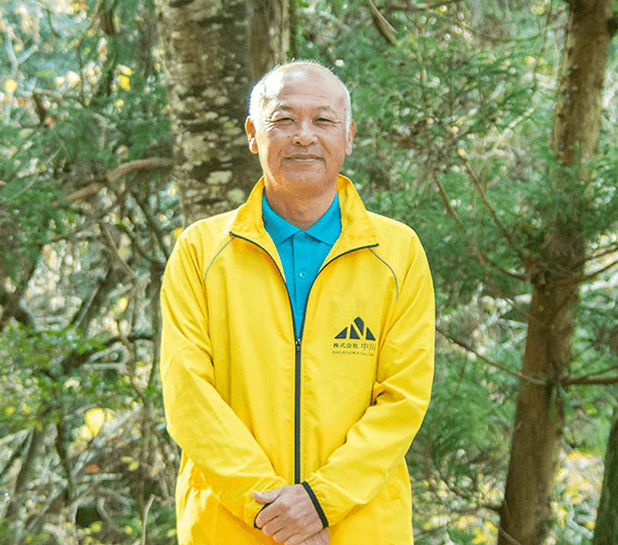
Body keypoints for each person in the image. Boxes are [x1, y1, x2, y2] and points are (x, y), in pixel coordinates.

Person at [160, 60, 435, 545]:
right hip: (229, 529)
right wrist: (276, 512)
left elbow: (403, 399)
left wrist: (321, 502)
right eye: (283, 119)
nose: (303, 136)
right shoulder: (200, 252)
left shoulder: (398, 253)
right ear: (253, 134)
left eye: (322, 120)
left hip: (359, 530)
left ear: (348, 136)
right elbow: (188, 396)